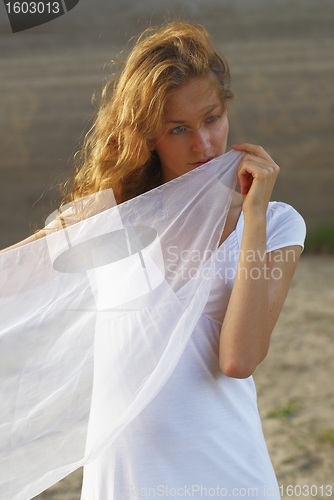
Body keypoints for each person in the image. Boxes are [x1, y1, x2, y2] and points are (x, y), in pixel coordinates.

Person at [1, 21, 306, 500]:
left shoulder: (278, 223)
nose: (203, 145)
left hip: (226, 476)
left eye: (212, 119)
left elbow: (238, 359)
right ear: (147, 136)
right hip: (126, 482)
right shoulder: (107, 218)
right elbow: (8, 281)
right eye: (178, 129)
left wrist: (254, 218)